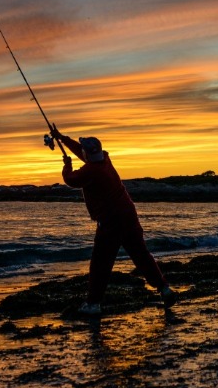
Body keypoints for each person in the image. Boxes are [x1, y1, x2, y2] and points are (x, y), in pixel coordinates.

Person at [51, 128, 176, 315]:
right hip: (128, 215)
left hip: (111, 222)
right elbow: (81, 151)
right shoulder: (105, 160)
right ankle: (164, 289)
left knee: (101, 263)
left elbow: (71, 179)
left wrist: (67, 164)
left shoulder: (91, 172)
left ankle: (93, 304)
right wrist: (62, 138)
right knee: (141, 255)